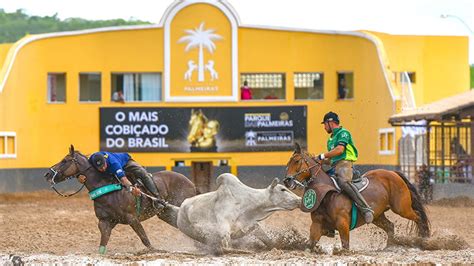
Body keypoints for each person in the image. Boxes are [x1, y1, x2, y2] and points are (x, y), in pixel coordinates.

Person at [315, 111, 374, 223]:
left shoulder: (343, 133)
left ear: (330, 123)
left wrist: (321, 156)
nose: (324, 127)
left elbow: (340, 150)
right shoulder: (330, 139)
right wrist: (319, 161)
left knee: (343, 182)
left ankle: (366, 209)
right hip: (334, 165)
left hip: (345, 163)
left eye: (325, 124)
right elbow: (330, 158)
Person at [88, 151, 164, 209]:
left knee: (142, 172)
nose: (103, 168)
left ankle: (157, 198)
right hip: (111, 169)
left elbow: (123, 179)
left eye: (103, 166)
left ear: (105, 160)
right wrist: (80, 177)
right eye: (100, 168)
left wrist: (132, 188)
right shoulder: (91, 160)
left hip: (125, 162)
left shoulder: (113, 163)